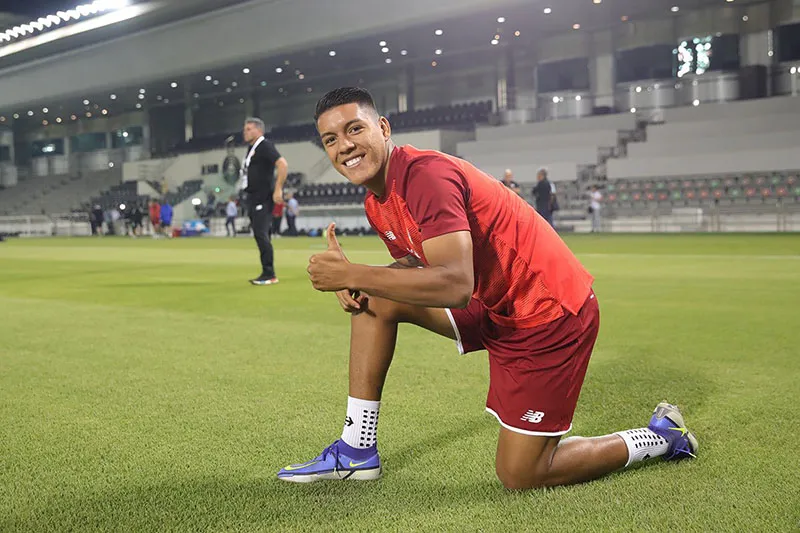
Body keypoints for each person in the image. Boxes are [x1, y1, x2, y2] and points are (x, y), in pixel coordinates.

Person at [277, 87, 698, 488]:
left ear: (383, 128)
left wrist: (352, 275)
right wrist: (361, 279)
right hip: (493, 302)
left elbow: (455, 283)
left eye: (354, 129)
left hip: (548, 314)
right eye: (330, 139)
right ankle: (356, 451)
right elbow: (418, 261)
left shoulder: (425, 175)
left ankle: (662, 436)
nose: (344, 146)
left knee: (523, 475)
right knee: (376, 296)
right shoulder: (377, 200)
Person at [238, 117, 289, 285]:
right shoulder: (252, 148)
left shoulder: (264, 145)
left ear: (259, 130)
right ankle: (267, 272)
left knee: (261, 234)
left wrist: (278, 188)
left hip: (262, 198)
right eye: (245, 129)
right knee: (260, 234)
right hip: (253, 197)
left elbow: (282, 164)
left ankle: (269, 273)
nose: (245, 132)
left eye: (249, 129)